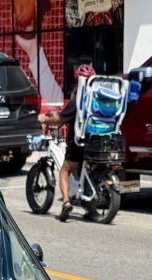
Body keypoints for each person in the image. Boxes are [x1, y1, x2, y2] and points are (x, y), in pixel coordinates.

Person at [42, 63, 94, 221]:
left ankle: (65, 203)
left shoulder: (77, 101)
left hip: (78, 143)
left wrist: (43, 118)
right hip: (95, 142)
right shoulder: (97, 100)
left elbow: (59, 121)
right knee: (85, 171)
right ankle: (89, 206)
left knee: (65, 170)